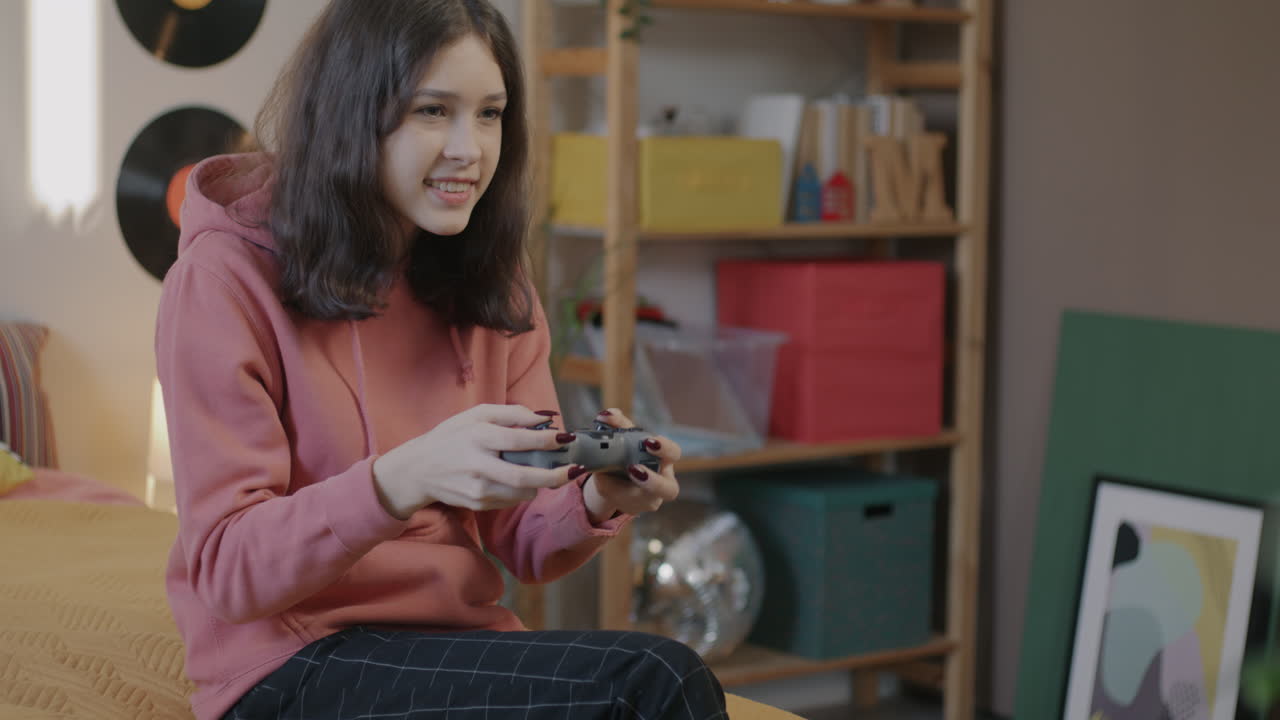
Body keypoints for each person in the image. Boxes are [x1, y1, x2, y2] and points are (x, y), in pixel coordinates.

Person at [154, 1, 727, 718]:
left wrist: (597, 497)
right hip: (286, 663)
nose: (470, 149)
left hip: (447, 638)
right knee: (653, 681)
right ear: (350, 112)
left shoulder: (490, 279)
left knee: (649, 682)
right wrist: (407, 475)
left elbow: (522, 538)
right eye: (434, 111)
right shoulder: (224, 279)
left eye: (490, 114)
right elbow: (229, 572)